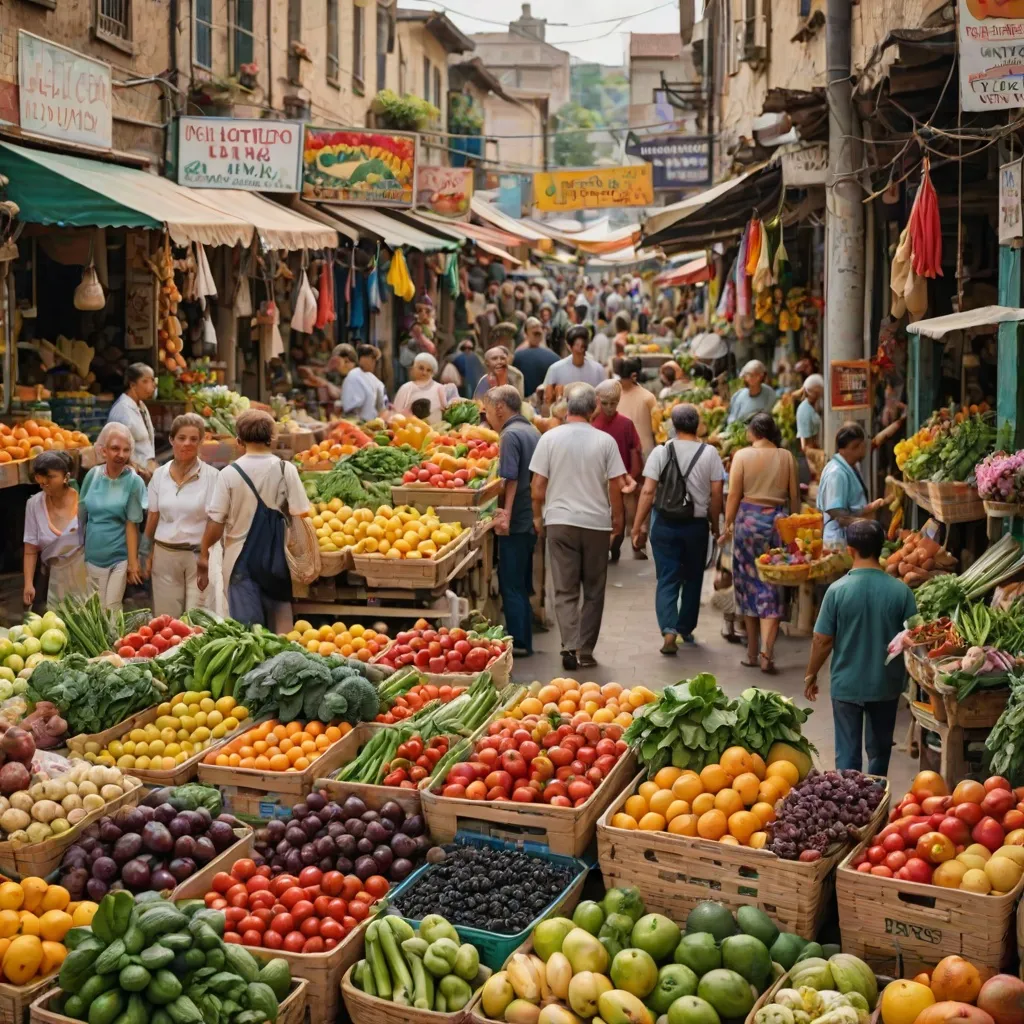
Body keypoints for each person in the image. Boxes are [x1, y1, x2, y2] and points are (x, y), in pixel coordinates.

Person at [530, 383, 631, 671]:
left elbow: (538, 487)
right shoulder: (605, 442)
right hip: (596, 524)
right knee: (594, 589)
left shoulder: (549, 438)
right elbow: (616, 487)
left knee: (565, 588)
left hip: (560, 522)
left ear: (567, 407)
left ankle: (568, 645)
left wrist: (539, 517)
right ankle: (585, 650)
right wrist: (618, 522)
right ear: (593, 408)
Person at [804, 519, 917, 774]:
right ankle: (878, 805)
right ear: (880, 548)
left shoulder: (836, 591)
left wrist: (811, 673)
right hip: (885, 684)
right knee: (879, 753)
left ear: (850, 550)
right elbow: (916, 634)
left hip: (847, 685)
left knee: (847, 756)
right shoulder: (902, 592)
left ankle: (850, 807)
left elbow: (822, 640)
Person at [199, 410, 311, 630]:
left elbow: (215, 522)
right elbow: (301, 514)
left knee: (247, 634)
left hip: (240, 563)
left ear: (239, 440)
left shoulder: (228, 474)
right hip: (277, 562)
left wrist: (203, 553)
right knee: (282, 633)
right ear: (272, 437)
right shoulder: (285, 469)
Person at [632, 404, 725, 653]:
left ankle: (669, 630)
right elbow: (717, 494)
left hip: (664, 523)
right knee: (693, 578)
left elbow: (649, 490)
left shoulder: (661, 451)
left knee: (667, 577)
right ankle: (685, 628)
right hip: (696, 525)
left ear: (673, 426)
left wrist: (638, 524)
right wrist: (715, 524)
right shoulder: (710, 453)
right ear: (698, 426)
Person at [723, 412, 800, 674]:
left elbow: (734, 494)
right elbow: (794, 498)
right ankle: (768, 653)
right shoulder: (786, 456)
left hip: (748, 523)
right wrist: (794, 528)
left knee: (748, 584)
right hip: (778, 523)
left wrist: (727, 523)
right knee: (773, 584)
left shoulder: (742, 456)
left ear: (753, 432)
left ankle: (752, 652)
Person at [143, 413, 219, 618]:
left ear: (201, 442)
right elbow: (153, 516)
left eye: (194, 439)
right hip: (164, 555)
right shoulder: (159, 475)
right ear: (171, 440)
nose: (187, 444)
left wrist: (204, 556)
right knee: (166, 621)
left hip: (198, 558)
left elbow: (215, 521)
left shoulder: (213, 477)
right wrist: (146, 553)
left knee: (197, 621)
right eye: (181, 438)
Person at [485, 385, 541, 657]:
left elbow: (510, 478)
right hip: (530, 517)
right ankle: (525, 634)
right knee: (521, 579)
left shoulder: (509, 435)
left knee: (512, 582)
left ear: (500, 408)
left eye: (488, 410)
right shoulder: (533, 431)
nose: (487, 418)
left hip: (517, 517)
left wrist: (504, 515)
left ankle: (519, 640)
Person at [79, 422, 148, 612]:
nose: (121, 454)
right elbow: (82, 514)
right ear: (103, 451)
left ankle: (115, 642)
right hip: (92, 555)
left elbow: (132, 524)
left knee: (112, 606)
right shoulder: (92, 476)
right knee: (96, 609)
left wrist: (133, 564)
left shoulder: (134, 481)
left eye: (126, 450)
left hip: (118, 556)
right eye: (115, 449)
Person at [22, 451, 87, 609]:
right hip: (55, 582)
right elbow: (30, 549)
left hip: (86, 578)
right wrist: (28, 584)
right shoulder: (34, 505)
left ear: (66, 477)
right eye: (39, 476)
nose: (43, 482)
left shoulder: (85, 501)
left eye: (50, 476)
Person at [593, 380, 643, 562]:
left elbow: (635, 451)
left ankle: (615, 548)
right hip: (597, 479)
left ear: (618, 401)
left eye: (613, 403)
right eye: (604, 403)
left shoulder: (626, 424)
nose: (608, 408)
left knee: (618, 520)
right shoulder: (592, 423)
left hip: (621, 479)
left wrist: (632, 475)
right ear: (598, 401)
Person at [817, 422, 886, 547]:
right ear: (854, 447)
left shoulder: (852, 466)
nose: (864, 449)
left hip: (849, 539)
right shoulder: (836, 473)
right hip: (837, 543)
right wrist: (868, 524)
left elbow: (850, 507)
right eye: (862, 445)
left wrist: (868, 508)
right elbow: (838, 515)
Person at [107, 363, 157, 482]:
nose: (152, 386)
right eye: (145, 381)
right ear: (133, 385)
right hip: (130, 477)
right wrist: (138, 469)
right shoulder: (122, 410)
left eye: (152, 380)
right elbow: (116, 450)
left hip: (145, 475)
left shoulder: (141, 406)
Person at [542, 326, 607, 406]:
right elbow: (547, 399)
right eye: (577, 344)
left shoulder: (598, 370)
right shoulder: (555, 369)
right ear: (569, 346)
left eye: (583, 345)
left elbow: (604, 398)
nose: (580, 348)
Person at [615, 356, 657, 461]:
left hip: (643, 453)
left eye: (623, 379)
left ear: (634, 376)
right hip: (621, 451)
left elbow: (657, 429)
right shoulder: (614, 395)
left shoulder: (648, 398)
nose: (620, 382)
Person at [393, 353, 448, 425]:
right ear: (413, 368)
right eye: (421, 368)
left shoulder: (440, 388)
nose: (424, 373)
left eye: (428, 370)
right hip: (410, 430)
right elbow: (396, 414)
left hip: (437, 431)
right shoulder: (406, 388)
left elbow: (447, 411)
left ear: (433, 373)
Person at [513, 317, 559, 399]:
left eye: (538, 333)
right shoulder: (518, 355)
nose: (536, 335)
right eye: (534, 333)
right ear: (526, 334)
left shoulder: (552, 356)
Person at [341, 344, 387, 421]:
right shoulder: (353, 376)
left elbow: (383, 408)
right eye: (372, 359)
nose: (374, 363)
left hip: (373, 425)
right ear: (363, 358)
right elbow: (351, 410)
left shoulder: (375, 380)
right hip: (358, 425)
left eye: (374, 360)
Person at [727, 360, 777, 425]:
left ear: (761, 376)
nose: (748, 378)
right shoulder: (738, 395)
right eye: (747, 375)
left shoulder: (769, 394)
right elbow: (732, 416)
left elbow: (768, 415)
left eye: (752, 375)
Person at [797, 373, 824, 450]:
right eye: (819, 392)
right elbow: (805, 443)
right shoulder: (804, 410)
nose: (820, 394)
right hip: (814, 452)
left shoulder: (816, 404)